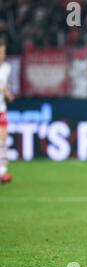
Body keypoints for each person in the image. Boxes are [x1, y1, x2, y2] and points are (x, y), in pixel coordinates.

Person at [0, 39, 14, 184]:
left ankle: (3, 172)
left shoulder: (6, 68)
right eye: (0, 52)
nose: (2, 54)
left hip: (1, 108)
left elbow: (3, 85)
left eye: (3, 52)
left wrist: (8, 93)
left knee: (2, 140)